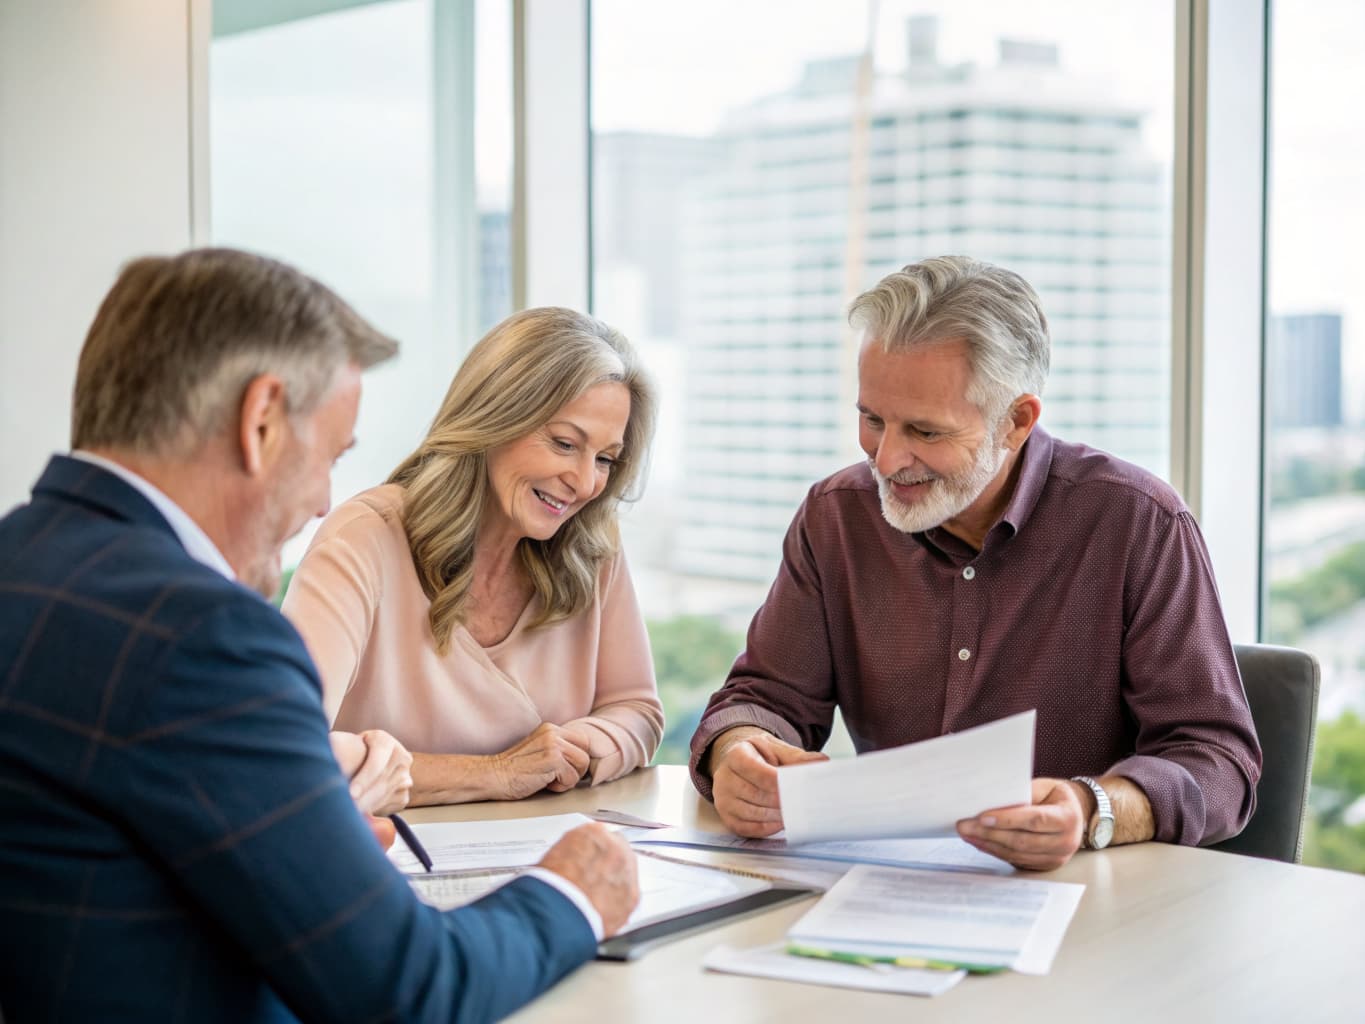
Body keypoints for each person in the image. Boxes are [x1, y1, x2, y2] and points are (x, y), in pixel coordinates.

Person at [0, 249, 640, 1023]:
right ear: (262, 420)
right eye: (331, 454)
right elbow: (411, 991)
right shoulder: (206, 639)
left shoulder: (20, 560)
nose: (321, 503)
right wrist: (571, 891)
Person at [690, 255, 1262, 871]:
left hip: (1094, 902)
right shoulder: (836, 516)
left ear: (1016, 421)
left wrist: (1093, 808)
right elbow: (766, 695)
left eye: (925, 432)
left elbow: (1216, 759)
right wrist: (738, 751)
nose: (885, 459)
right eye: (872, 419)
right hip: (885, 891)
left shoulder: (1138, 522)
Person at [281, 307, 663, 806]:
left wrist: (583, 747)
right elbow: (286, 752)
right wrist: (496, 773)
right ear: (494, 420)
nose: (586, 482)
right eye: (565, 443)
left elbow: (636, 708)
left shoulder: (592, 547)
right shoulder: (364, 539)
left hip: (544, 853)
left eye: (606, 459)